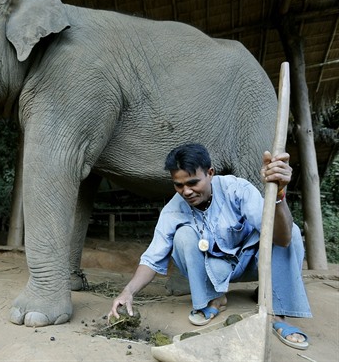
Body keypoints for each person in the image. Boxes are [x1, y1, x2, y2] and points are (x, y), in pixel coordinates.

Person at [109, 143, 311, 350]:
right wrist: (128, 292)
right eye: (178, 185)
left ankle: (277, 312)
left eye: (193, 182)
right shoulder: (172, 211)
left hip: (255, 264)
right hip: (215, 271)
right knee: (183, 235)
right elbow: (152, 259)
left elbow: (283, 239)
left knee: (292, 231)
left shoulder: (237, 189)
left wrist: (278, 196)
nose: (186, 191)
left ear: (210, 173)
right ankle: (213, 299)